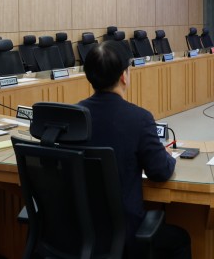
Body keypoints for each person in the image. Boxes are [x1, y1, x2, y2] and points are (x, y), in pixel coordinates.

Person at [77, 41, 191, 259]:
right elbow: (160, 172)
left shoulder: (74, 116)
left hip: (79, 231)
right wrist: (167, 156)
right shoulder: (139, 119)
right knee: (179, 239)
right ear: (124, 76)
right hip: (124, 235)